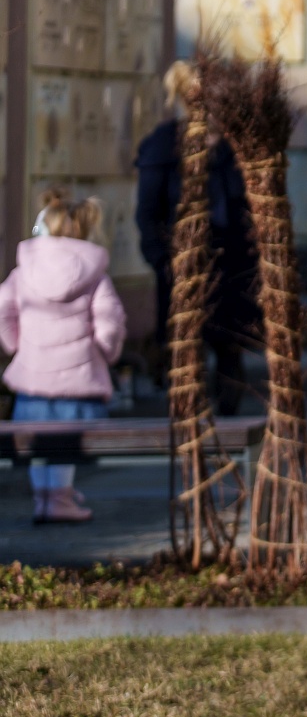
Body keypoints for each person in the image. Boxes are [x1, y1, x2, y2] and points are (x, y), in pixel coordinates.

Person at [135, 63, 259, 413]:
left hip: (232, 267)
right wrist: (163, 261)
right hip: (183, 267)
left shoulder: (237, 146)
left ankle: (228, 420)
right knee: (186, 353)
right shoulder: (165, 145)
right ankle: (192, 420)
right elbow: (148, 212)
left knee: (230, 351)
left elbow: (252, 208)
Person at [0, 189, 128, 525]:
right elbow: (109, 321)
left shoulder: (23, 272)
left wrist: (15, 345)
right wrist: (104, 353)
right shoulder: (94, 275)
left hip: (33, 374)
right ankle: (60, 497)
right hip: (78, 376)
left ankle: (44, 498)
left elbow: (3, 309)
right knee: (66, 441)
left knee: (35, 438)